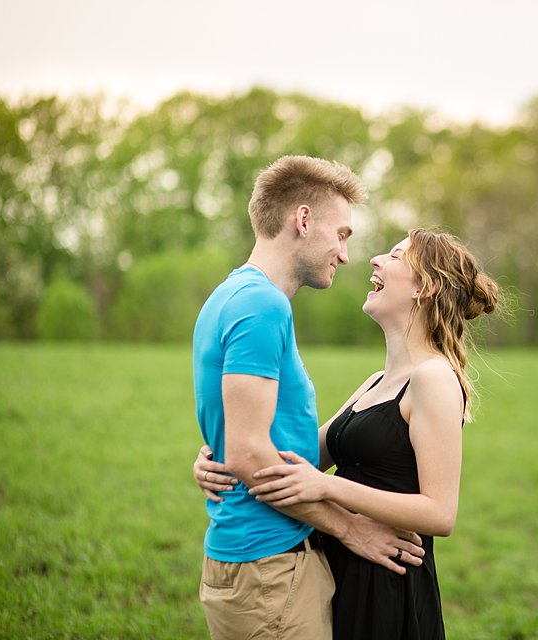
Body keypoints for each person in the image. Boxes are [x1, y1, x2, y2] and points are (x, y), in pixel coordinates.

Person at [195, 228, 500, 639]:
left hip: (386, 578)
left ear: (424, 287)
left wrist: (328, 489)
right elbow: (303, 457)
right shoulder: (377, 381)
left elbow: (439, 513)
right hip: (342, 560)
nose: (375, 260)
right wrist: (224, 456)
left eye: (395, 256)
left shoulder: (434, 379)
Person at [192, 155, 425, 640]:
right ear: (302, 219)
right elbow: (248, 453)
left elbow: (243, 445)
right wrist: (351, 528)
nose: (344, 254)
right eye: (341, 234)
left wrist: (223, 456)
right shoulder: (262, 305)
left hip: (259, 567)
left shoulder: (231, 295)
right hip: (269, 572)